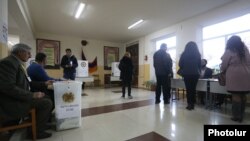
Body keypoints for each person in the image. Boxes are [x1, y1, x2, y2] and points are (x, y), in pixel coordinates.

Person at [0, 43, 53, 139]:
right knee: (47, 103)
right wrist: (32, 95)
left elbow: (28, 83)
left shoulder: (17, 63)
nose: (31, 56)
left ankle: (39, 124)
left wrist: (44, 84)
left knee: (46, 97)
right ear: (20, 52)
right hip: (12, 102)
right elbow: (8, 88)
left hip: (20, 97)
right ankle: (37, 132)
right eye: (28, 53)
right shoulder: (8, 63)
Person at [220, 35, 250, 122]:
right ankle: (241, 114)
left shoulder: (229, 50)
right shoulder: (246, 50)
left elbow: (224, 65)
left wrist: (222, 69)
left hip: (234, 74)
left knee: (236, 95)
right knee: (243, 95)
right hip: (247, 73)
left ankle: (236, 116)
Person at [179, 41, 201, 110]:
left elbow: (180, 64)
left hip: (186, 74)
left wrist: (185, 67)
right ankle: (193, 103)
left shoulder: (184, 54)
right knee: (193, 89)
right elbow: (199, 65)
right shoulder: (197, 54)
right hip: (195, 74)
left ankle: (189, 104)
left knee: (188, 89)